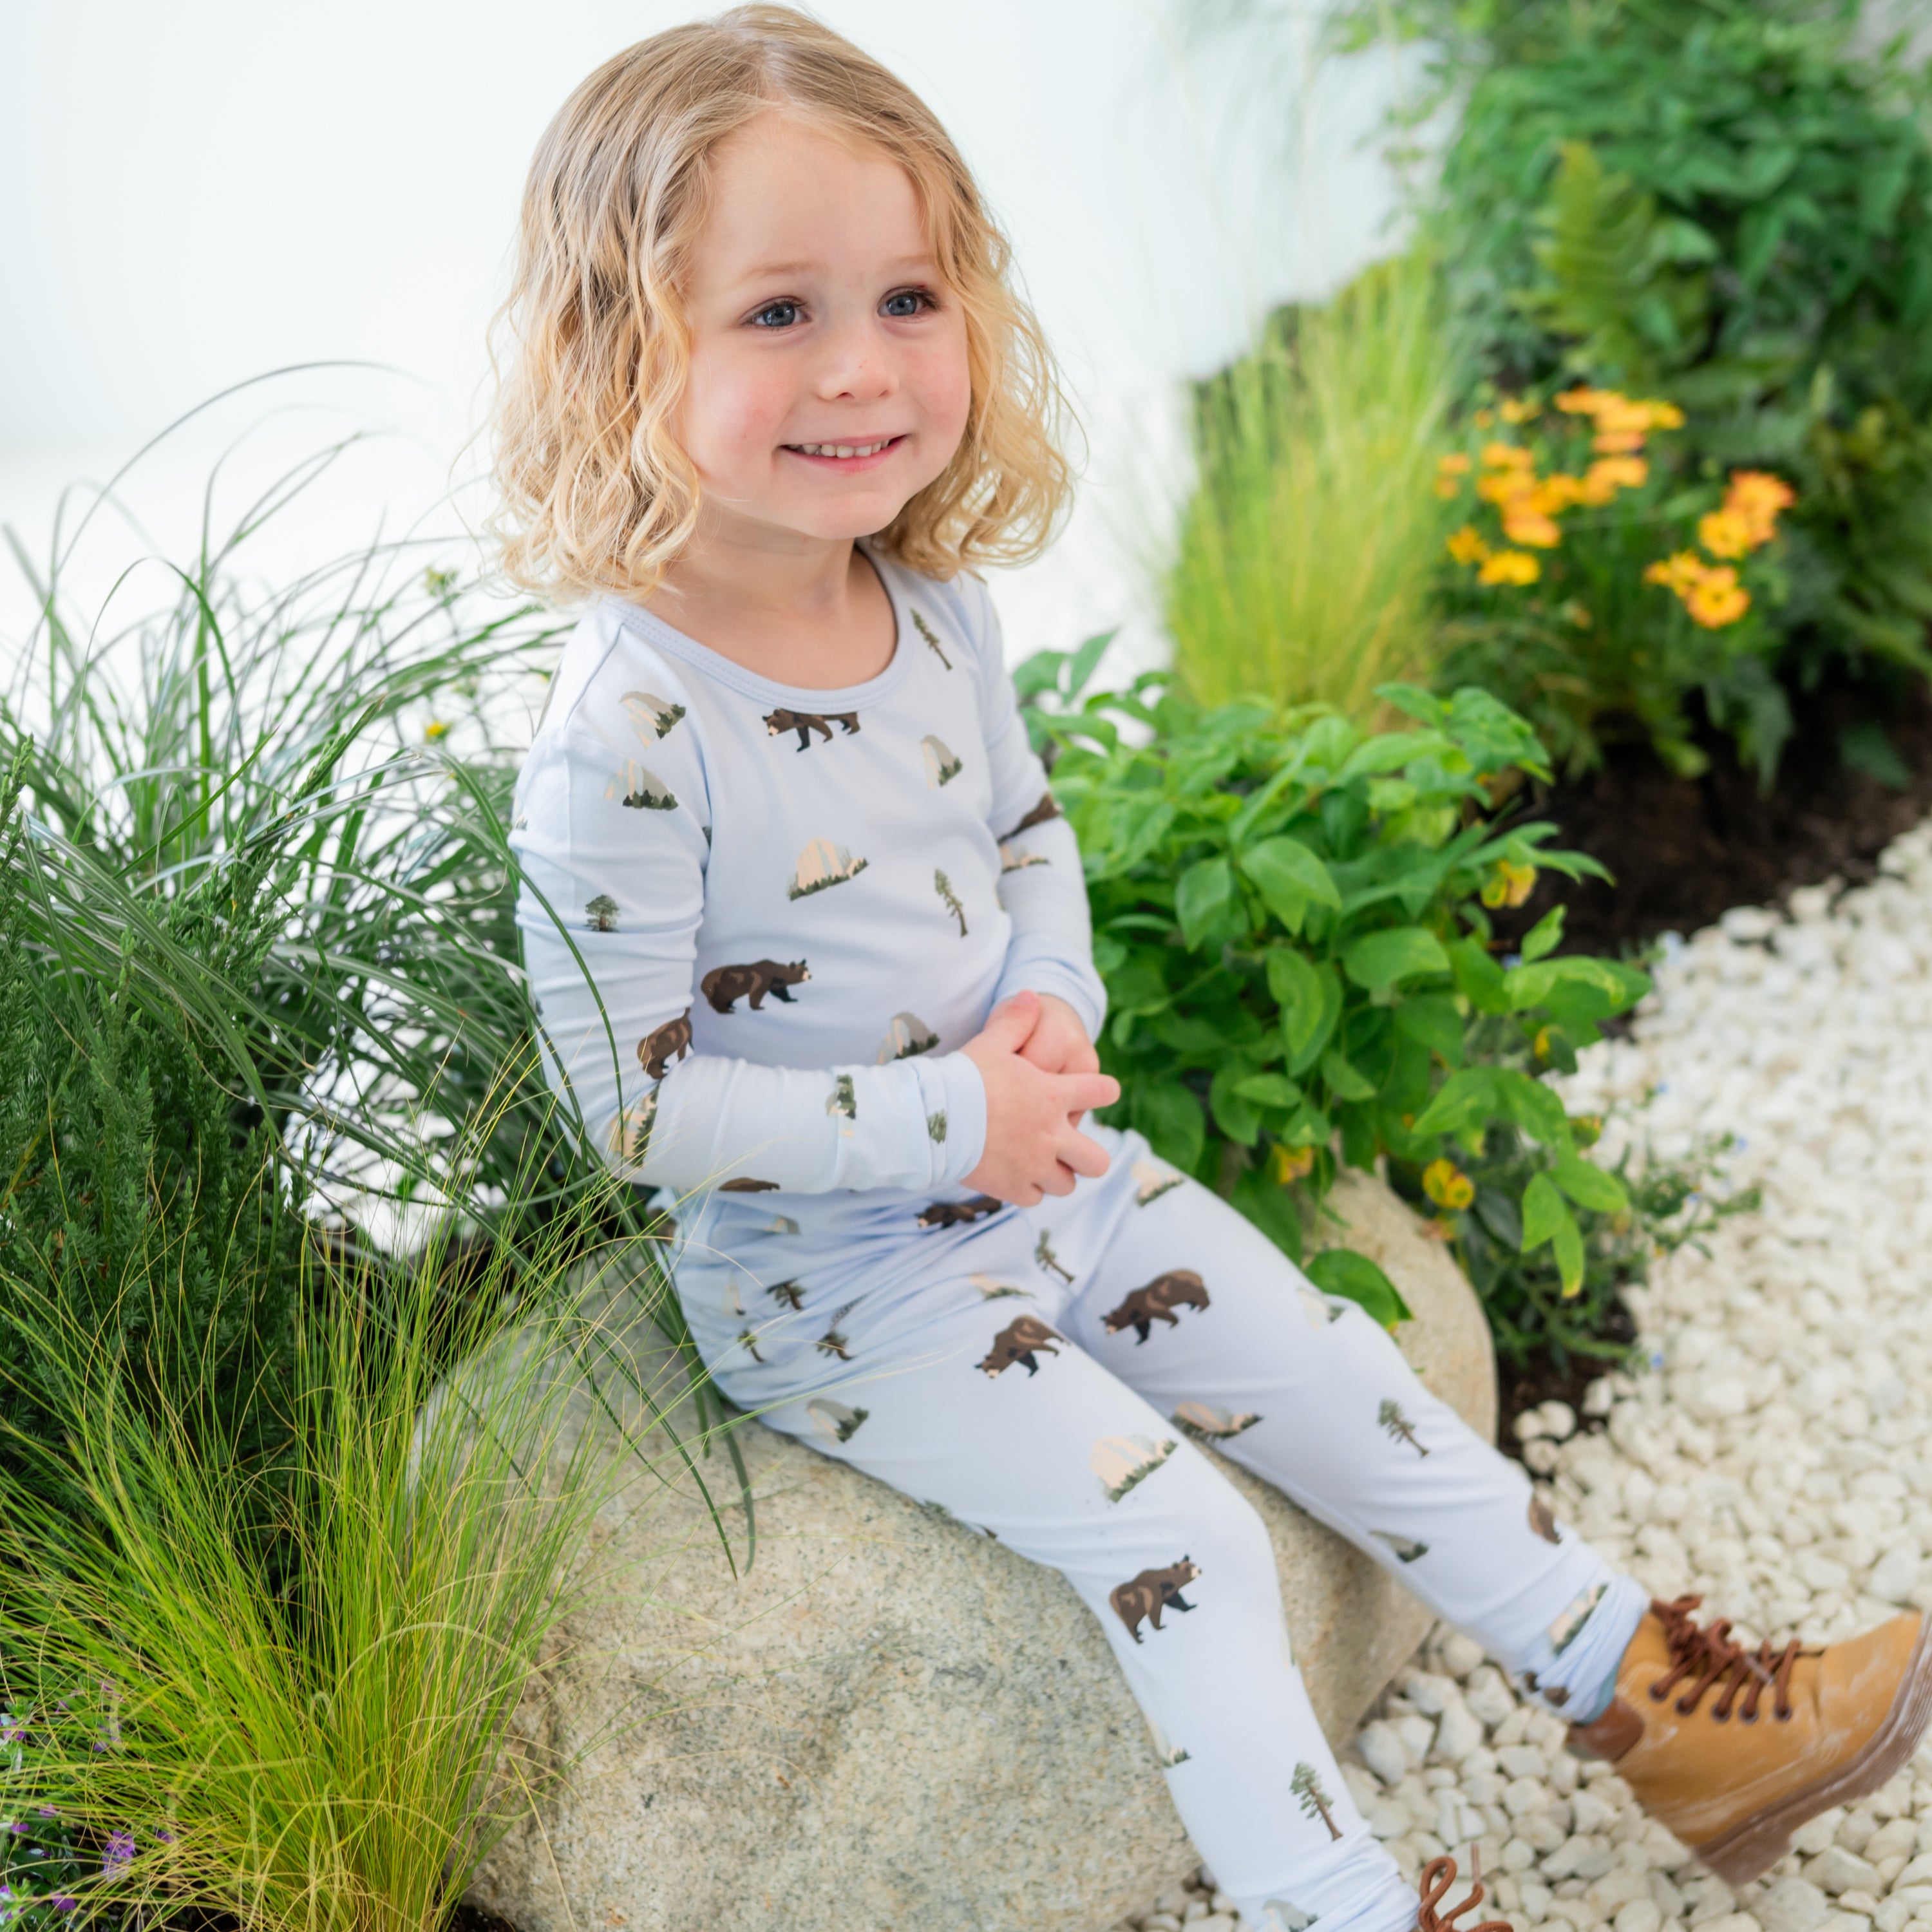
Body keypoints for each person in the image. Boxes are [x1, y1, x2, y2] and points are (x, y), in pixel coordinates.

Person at [495, 11, 1932, 1929]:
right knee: (1184, 1538)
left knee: (1344, 1375)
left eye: (908, 296)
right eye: (777, 313)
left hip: (1059, 1175)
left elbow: (1026, 835)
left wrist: (1057, 1006)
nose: (860, 366)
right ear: (618, 345)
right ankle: (1336, 1908)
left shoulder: (933, 601)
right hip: (845, 1291)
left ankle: (1662, 1704)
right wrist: (951, 1114)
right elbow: (633, 1107)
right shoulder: (629, 732)